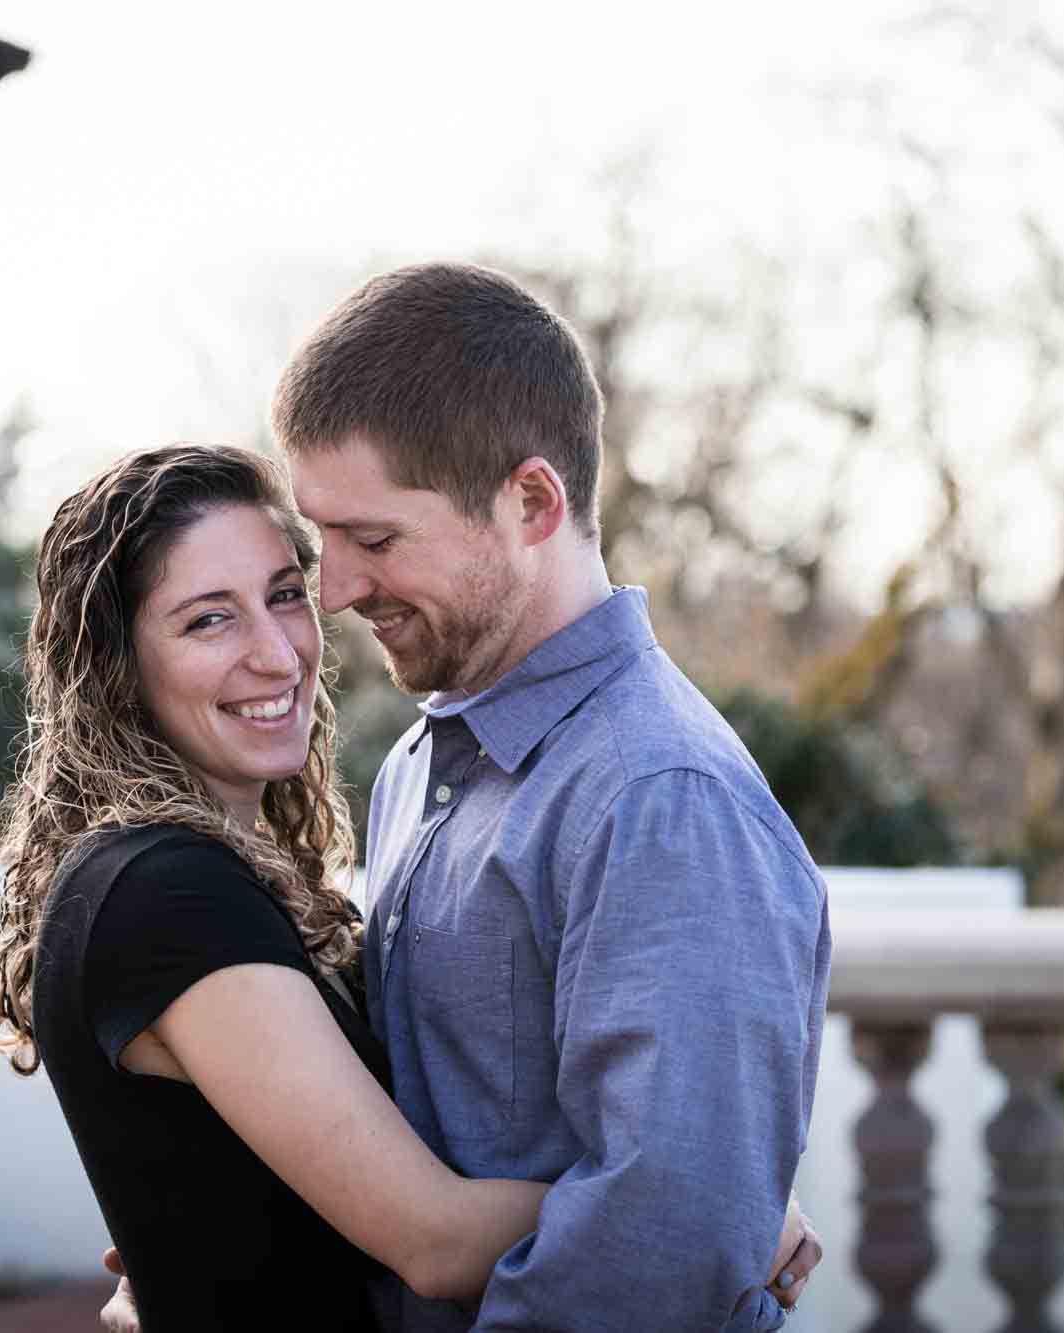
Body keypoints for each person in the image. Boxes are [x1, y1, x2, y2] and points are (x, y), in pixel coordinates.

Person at [109, 262, 833, 1332]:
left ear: (530, 502)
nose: (337, 592)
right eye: (325, 544)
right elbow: (414, 1131)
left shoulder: (658, 799)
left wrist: (715, 1206)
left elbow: (655, 1263)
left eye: (375, 540)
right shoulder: (421, 766)